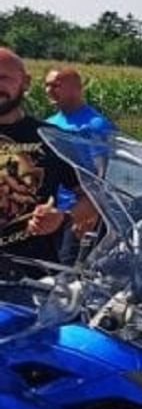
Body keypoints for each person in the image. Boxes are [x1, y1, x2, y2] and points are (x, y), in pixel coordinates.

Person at [0, 48, 93, 267]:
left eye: (3, 77)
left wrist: (63, 217)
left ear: (26, 82)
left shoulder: (53, 138)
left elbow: (92, 196)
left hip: (30, 273)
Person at [43, 67, 115, 262]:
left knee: (69, 271)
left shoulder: (95, 125)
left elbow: (104, 173)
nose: (49, 90)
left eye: (56, 85)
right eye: (47, 85)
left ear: (76, 88)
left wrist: (91, 211)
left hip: (77, 213)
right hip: (51, 212)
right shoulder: (48, 124)